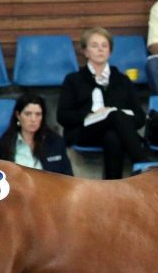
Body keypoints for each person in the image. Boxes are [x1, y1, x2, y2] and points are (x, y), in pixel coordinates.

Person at [57, 27, 147, 179]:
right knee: (113, 116)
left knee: (112, 135)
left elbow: (140, 117)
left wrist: (117, 115)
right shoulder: (73, 80)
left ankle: (113, 188)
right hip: (85, 131)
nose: (100, 50)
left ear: (110, 51)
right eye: (94, 46)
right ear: (85, 52)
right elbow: (63, 116)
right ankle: (142, 162)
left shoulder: (123, 80)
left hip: (117, 131)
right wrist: (91, 114)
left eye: (104, 46)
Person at [0, 93, 73, 175]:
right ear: (18, 115)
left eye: (38, 114)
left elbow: (69, 178)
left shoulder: (55, 142)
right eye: (28, 114)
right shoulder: (1, 147)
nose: (33, 119)